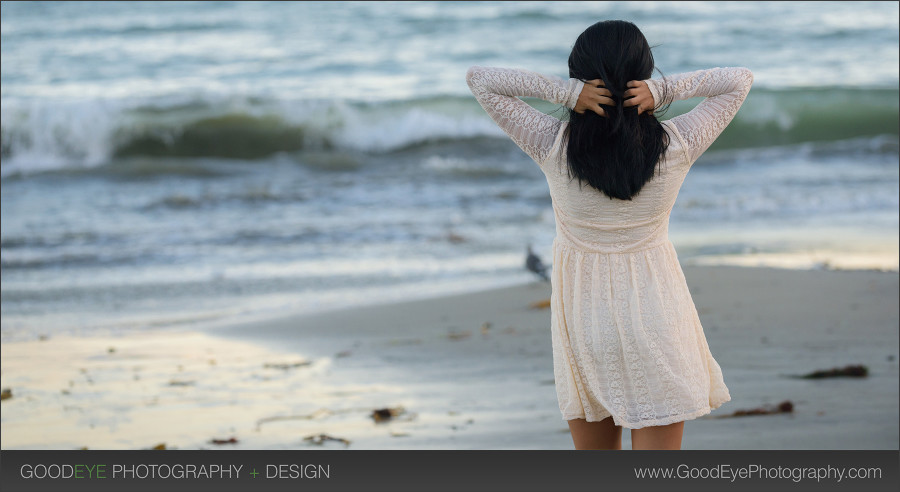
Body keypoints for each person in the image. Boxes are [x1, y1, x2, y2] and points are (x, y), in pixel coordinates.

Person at [466, 19, 753, 450]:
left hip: (586, 323)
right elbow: (738, 81)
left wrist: (567, 94)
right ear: (644, 75)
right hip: (658, 315)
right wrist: (667, 91)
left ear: (579, 74)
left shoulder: (551, 142)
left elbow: (481, 80)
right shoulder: (679, 141)